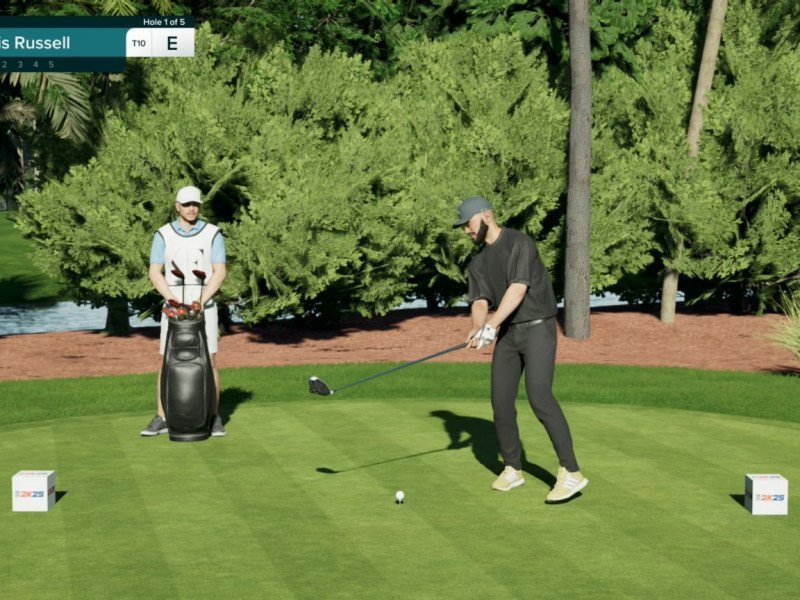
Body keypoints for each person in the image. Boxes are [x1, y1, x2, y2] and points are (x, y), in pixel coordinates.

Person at [453, 195, 587, 502]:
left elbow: (518, 288)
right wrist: (478, 328)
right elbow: (479, 301)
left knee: (539, 395)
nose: (466, 231)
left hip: (538, 328)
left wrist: (492, 324)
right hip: (509, 335)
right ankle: (512, 468)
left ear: (486, 216)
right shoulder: (478, 262)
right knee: (500, 402)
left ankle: (571, 472)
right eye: (463, 227)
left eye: (468, 224)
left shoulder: (519, 243)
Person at [140, 185, 227, 437]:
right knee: (166, 359)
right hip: (173, 306)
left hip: (205, 305)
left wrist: (201, 299)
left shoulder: (212, 233)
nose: (191, 208)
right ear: (177, 206)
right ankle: (162, 417)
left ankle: (213, 417)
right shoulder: (163, 234)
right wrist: (172, 299)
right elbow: (155, 272)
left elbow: (219, 272)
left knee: (209, 359)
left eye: (195, 204)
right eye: (187, 204)